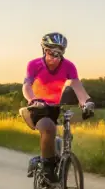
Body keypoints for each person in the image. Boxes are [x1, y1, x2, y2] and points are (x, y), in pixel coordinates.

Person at [21, 32, 94, 181]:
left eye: (58, 54)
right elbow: (26, 86)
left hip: (56, 107)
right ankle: (47, 168)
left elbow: (77, 87)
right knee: (48, 127)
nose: (54, 58)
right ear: (44, 50)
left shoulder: (69, 66)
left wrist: (86, 102)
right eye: (50, 52)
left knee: (64, 135)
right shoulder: (34, 64)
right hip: (38, 107)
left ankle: (57, 160)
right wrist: (33, 99)